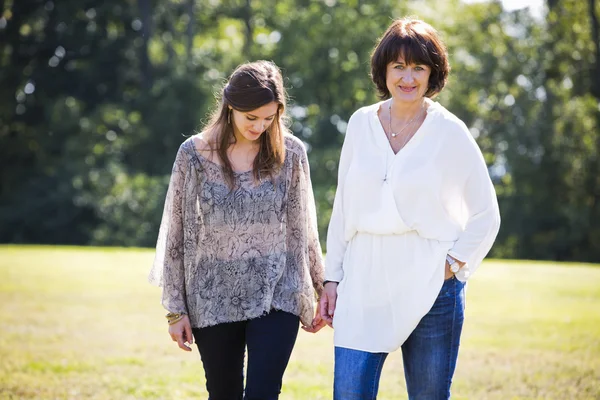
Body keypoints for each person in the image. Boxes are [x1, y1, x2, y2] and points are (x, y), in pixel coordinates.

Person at [318, 17, 501, 399]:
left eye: (419, 67)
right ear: (383, 69)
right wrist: (331, 277)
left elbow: (486, 213)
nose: (408, 77)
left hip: (431, 284)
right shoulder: (360, 123)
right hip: (364, 280)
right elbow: (343, 207)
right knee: (349, 393)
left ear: (433, 73)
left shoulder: (450, 131)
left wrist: (450, 266)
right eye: (398, 66)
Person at [149, 60, 326, 400]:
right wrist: (175, 309)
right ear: (231, 106)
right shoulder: (193, 154)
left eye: (269, 118)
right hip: (212, 294)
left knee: (263, 392)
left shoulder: (291, 153)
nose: (260, 126)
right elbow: (175, 236)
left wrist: (320, 290)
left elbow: (303, 228)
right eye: (252, 117)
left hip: (277, 292)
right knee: (223, 392)